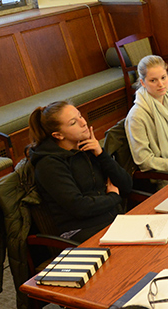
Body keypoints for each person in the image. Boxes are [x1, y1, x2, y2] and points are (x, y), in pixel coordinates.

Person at [28, 101, 133, 243]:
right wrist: (113, 197)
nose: (83, 123)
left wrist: (101, 154)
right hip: (81, 232)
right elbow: (79, 207)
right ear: (58, 135)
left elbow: (126, 185)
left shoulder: (86, 148)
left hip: (112, 221)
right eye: (73, 123)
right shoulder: (49, 164)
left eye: (80, 116)